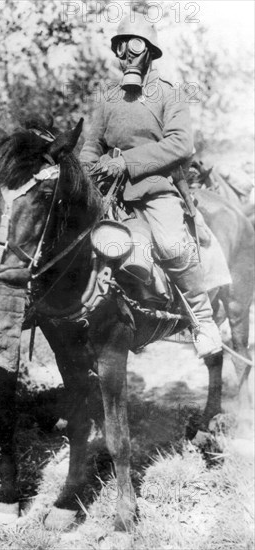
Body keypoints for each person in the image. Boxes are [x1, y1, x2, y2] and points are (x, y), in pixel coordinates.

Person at [79, 15, 222, 359]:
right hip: (108, 194)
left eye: (134, 46)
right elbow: (90, 147)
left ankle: (202, 319)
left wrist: (126, 162)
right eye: (120, 47)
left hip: (156, 190)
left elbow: (180, 144)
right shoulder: (108, 99)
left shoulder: (170, 95)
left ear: (150, 52)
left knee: (172, 245)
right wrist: (84, 173)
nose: (126, 54)